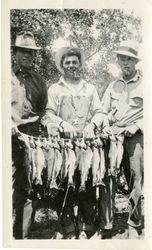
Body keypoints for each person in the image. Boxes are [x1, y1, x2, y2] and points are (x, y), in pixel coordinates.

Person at [42, 47, 107, 239]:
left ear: (80, 64)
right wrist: (62, 123)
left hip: (87, 146)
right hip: (64, 147)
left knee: (87, 184)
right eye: (67, 62)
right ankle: (68, 228)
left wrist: (92, 125)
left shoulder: (90, 88)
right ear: (62, 65)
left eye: (74, 62)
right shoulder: (55, 89)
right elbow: (48, 114)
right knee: (65, 186)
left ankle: (86, 227)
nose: (71, 66)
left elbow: (100, 112)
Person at [100, 40, 143, 238]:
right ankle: (106, 225)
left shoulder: (146, 84)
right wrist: (106, 124)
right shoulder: (112, 86)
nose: (125, 63)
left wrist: (136, 126)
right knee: (109, 178)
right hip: (114, 136)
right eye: (122, 59)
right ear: (118, 61)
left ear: (135, 62)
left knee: (136, 178)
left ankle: (134, 223)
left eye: (129, 59)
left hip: (135, 137)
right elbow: (103, 111)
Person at [12, 31, 48, 239]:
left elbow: (44, 111)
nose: (27, 56)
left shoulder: (39, 81)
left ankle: (23, 237)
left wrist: (49, 125)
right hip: (10, 139)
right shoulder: (5, 77)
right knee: (10, 188)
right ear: (15, 53)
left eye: (31, 52)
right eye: (23, 51)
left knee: (32, 189)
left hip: (34, 142)